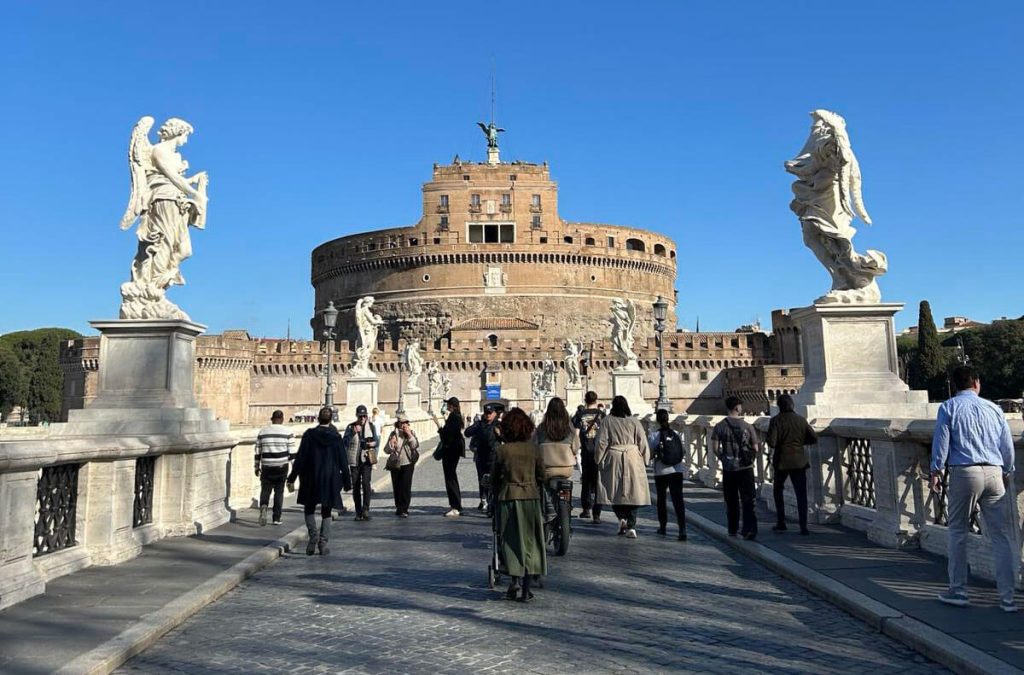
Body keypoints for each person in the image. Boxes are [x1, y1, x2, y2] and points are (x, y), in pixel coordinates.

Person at [931, 366, 1017, 612]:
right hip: (994, 471)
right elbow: (1007, 446)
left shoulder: (948, 407)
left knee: (958, 532)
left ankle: (958, 591)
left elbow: (941, 443)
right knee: (1000, 536)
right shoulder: (994, 408)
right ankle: (1008, 598)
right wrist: (1007, 471)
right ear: (976, 383)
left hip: (965, 471)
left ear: (955, 385)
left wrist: (936, 471)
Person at [492, 407, 547, 602]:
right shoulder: (534, 450)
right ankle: (526, 587)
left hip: (508, 498)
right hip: (530, 498)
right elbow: (543, 475)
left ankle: (514, 580)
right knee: (530, 540)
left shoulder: (501, 450)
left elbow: (495, 478)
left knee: (511, 540)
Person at [287, 407, 351, 555]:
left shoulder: (309, 435)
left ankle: (313, 536)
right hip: (329, 478)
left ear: (318, 419)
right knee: (326, 510)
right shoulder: (335, 437)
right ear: (331, 420)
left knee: (309, 508)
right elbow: (343, 460)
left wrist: (292, 478)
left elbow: (300, 458)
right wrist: (347, 482)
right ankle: (323, 542)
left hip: (310, 477)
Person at [594, 396, 650, 539]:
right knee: (634, 492)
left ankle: (622, 519)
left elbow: (601, 442)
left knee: (613, 490)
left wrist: (598, 459)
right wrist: (646, 459)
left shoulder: (607, 421)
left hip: (614, 456)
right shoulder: (634, 421)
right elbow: (642, 441)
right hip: (633, 457)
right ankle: (631, 524)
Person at [766, 394, 818, 535]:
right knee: (801, 494)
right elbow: (813, 438)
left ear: (779, 406)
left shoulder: (776, 421)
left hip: (782, 461)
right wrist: (800, 443)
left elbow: (771, 442)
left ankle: (781, 522)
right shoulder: (801, 420)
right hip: (799, 461)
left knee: (778, 492)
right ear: (792, 405)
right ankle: (803, 526)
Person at [710, 396, 760, 540]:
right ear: (737, 408)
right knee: (748, 499)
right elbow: (755, 447)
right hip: (746, 468)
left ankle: (733, 528)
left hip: (729, 468)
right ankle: (748, 529)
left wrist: (723, 458)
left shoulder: (719, 426)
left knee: (731, 500)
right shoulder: (748, 426)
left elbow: (714, 448)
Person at [534, 397, 580, 521]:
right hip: (566, 469)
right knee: (566, 488)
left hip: (547, 468)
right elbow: (576, 448)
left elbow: (534, 447)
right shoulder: (569, 430)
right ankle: (567, 505)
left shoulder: (541, 429)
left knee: (545, 489)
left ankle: (549, 510)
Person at [648, 408, 687, 541]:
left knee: (661, 499)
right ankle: (682, 529)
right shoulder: (676, 433)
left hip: (661, 471)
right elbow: (684, 451)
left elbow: (651, 455)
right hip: (677, 470)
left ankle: (663, 527)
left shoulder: (653, 436)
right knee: (678, 500)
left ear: (658, 420)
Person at [254, 410, 295, 526]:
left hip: (266, 466)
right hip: (281, 466)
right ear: (282, 419)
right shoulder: (288, 432)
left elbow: (257, 451)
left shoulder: (262, 432)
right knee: (279, 492)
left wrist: (256, 466)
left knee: (265, 490)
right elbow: (292, 453)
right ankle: (276, 518)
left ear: (272, 419)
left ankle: (263, 506)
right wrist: (294, 471)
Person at [572, 391, 605, 523]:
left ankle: (586, 510)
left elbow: (576, 434)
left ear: (585, 400)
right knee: (598, 483)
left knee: (586, 481)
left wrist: (575, 450)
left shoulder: (580, 415)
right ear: (596, 400)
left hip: (586, 451)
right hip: (599, 452)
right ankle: (597, 514)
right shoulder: (602, 415)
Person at [465, 402, 504, 512]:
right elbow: (467, 433)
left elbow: (505, 438)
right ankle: (483, 500)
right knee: (482, 480)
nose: (488, 415)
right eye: (486, 413)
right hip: (481, 457)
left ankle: (493, 500)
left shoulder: (498, 425)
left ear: (495, 413)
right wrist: (475, 426)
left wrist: (500, 434)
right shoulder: (479, 424)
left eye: (490, 413)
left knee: (494, 480)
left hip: (494, 458)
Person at [343, 405, 379, 521]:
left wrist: (373, 444)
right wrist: (353, 432)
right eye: (360, 416)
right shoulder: (350, 427)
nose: (363, 418)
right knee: (356, 486)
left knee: (366, 484)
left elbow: (376, 441)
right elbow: (344, 442)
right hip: (354, 461)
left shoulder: (371, 426)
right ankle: (358, 512)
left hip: (367, 460)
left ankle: (366, 510)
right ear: (357, 416)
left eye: (364, 416)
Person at [434, 397, 466, 517]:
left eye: (447, 404)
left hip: (451, 451)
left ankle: (455, 506)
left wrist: (438, 426)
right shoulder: (456, 416)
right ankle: (455, 505)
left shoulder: (454, 418)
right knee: (451, 477)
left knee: (450, 478)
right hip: (454, 451)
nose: (446, 406)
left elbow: (447, 437)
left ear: (452, 406)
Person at [385, 415, 420, 517]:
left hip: (408, 462)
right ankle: (398, 507)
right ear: (398, 424)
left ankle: (404, 508)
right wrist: (391, 444)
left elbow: (415, 445)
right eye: (402, 423)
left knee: (405, 486)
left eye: (405, 423)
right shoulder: (393, 434)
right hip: (395, 463)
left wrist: (409, 435)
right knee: (397, 486)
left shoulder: (411, 433)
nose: (404, 425)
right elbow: (386, 450)